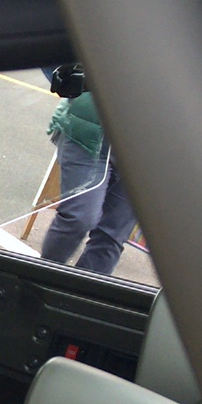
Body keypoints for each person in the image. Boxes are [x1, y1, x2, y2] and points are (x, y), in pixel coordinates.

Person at [40, 88, 136, 275]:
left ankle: (80, 291)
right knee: (79, 218)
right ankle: (40, 280)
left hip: (146, 151)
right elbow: (60, 72)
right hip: (89, 134)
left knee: (112, 236)